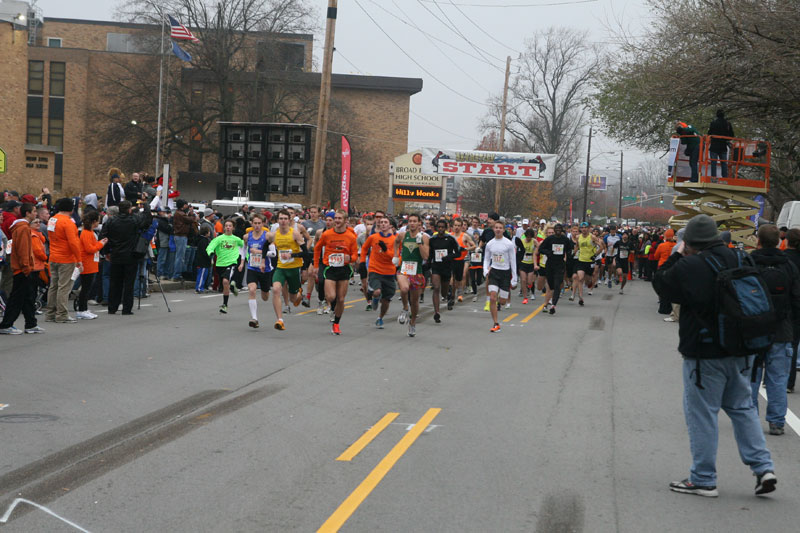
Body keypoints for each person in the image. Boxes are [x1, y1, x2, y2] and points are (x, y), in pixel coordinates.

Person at [654, 214, 777, 497]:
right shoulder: (741, 257)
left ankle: (703, 478)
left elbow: (662, 285)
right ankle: (763, 467)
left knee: (702, 414)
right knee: (743, 408)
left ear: (691, 242)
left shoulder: (690, 265)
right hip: (742, 347)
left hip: (704, 351)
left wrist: (678, 253)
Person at [748, 224, 800, 435]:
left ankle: (749, 418)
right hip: (782, 328)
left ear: (758, 240)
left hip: (753, 328)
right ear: (779, 241)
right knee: (777, 378)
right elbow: (796, 299)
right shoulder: (788, 265)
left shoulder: (749, 262)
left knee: (752, 375)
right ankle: (777, 421)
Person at [100, 200, 153, 315]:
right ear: (129, 209)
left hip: (116, 255)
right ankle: (127, 308)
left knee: (115, 282)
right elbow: (147, 221)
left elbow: (103, 236)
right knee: (129, 283)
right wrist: (147, 207)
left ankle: (112, 307)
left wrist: (106, 252)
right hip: (131, 255)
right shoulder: (134, 220)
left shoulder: (111, 221)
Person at [313, 209, 358, 335]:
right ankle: (332, 308)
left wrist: (351, 258)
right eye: (336, 218)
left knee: (341, 299)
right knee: (331, 296)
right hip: (330, 268)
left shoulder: (350, 236)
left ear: (345, 221)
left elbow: (355, 254)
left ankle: (336, 324)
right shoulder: (327, 234)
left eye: (339, 218)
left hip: (344, 269)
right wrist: (316, 265)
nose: (337, 221)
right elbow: (317, 249)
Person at [0, 203, 43, 334]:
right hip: (22, 268)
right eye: (34, 211)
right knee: (17, 298)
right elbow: (23, 250)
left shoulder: (21, 227)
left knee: (27, 297)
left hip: (23, 267)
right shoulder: (23, 228)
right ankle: (6, 324)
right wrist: (26, 267)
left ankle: (31, 323)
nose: (36, 214)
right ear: (27, 213)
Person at [45, 198, 83, 323]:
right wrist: (78, 260)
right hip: (66, 258)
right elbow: (73, 243)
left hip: (53, 256)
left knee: (53, 286)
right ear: (71, 209)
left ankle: (50, 313)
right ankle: (61, 314)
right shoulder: (68, 223)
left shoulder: (52, 219)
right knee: (64, 287)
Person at [393, 213, 430, 337]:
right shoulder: (403, 235)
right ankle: (404, 308)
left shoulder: (424, 237)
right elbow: (396, 242)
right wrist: (395, 256)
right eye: (410, 221)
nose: (412, 223)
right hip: (404, 269)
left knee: (414, 302)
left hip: (417, 271)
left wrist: (419, 243)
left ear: (420, 223)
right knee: (404, 288)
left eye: (415, 221)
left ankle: (412, 323)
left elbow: (425, 256)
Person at [359, 215, 397, 329]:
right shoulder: (373, 237)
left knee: (386, 301)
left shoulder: (395, 239)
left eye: (386, 222)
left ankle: (380, 317)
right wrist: (362, 262)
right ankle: (375, 298)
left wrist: (385, 250)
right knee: (377, 291)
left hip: (389, 271)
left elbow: (395, 256)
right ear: (379, 224)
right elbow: (364, 248)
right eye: (381, 222)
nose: (383, 224)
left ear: (390, 225)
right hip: (375, 269)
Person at [270, 209, 305, 330]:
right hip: (281, 268)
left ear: (289, 220)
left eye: (285, 219)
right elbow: (265, 245)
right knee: (275, 290)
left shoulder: (294, 233)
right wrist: (264, 260)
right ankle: (280, 320)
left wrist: (293, 255)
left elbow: (306, 253)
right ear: (277, 220)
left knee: (293, 299)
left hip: (294, 269)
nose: (283, 221)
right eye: (281, 219)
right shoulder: (275, 234)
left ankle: (299, 293)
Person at [239, 213, 274, 327]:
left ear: (263, 223)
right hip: (252, 267)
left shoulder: (268, 236)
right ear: (251, 224)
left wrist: (259, 252)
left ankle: (266, 291)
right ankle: (254, 318)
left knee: (265, 296)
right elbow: (243, 249)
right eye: (255, 223)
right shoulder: (247, 236)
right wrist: (242, 261)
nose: (257, 225)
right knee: (252, 290)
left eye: (259, 223)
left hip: (265, 269)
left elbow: (273, 253)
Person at [483, 219, 517, 332]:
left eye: (500, 228)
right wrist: (485, 270)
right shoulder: (490, 244)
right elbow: (486, 259)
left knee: (502, 301)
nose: (498, 229)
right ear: (493, 229)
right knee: (493, 297)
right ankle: (496, 323)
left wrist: (514, 278)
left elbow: (513, 261)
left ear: (503, 230)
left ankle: (499, 301)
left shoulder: (508, 244)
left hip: (505, 274)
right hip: (494, 272)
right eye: (496, 227)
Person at [205, 219, 244, 314]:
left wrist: (244, 259)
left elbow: (245, 247)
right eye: (226, 225)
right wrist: (210, 252)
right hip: (220, 264)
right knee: (225, 284)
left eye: (230, 226)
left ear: (233, 228)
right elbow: (210, 246)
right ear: (224, 227)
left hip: (231, 262)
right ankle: (225, 304)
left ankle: (231, 288)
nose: (228, 227)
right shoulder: (219, 238)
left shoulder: (236, 239)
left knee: (226, 281)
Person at [76, 211, 107, 320]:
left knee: (87, 287)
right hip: (87, 263)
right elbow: (90, 249)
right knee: (86, 288)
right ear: (94, 222)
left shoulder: (88, 232)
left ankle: (83, 308)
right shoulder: (86, 233)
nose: (98, 223)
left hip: (90, 262)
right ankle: (81, 310)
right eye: (98, 221)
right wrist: (101, 244)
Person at [537, 223, 574, 315]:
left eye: (559, 229)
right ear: (554, 230)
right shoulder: (549, 239)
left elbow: (570, 249)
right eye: (556, 228)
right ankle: (551, 299)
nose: (558, 230)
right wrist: (548, 252)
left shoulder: (565, 239)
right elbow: (541, 249)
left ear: (561, 230)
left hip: (560, 264)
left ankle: (553, 305)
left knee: (557, 285)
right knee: (551, 284)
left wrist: (568, 256)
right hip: (549, 264)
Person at [428, 218, 459, 323]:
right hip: (436, 266)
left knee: (443, 293)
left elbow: (457, 253)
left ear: (446, 228)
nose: (440, 229)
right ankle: (436, 312)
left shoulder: (450, 239)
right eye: (439, 227)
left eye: (442, 227)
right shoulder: (432, 239)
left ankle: (448, 293)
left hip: (447, 267)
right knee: (436, 287)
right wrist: (428, 264)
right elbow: (430, 254)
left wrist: (449, 256)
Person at [708, 109, 734, 178]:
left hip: (714, 146)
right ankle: (725, 177)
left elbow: (709, 134)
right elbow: (731, 136)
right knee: (724, 163)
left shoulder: (713, 123)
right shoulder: (728, 124)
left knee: (714, 163)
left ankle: (713, 177)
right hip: (723, 146)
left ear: (717, 115)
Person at [171, 199, 192, 282]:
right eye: (185, 204)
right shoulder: (181, 214)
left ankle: (177, 273)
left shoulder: (178, 213)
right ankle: (177, 274)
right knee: (180, 256)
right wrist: (191, 213)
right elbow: (191, 220)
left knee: (179, 256)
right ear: (183, 206)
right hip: (181, 236)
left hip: (179, 236)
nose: (187, 206)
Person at [517, 228, 538, 305]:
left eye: (530, 237)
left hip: (531, 263)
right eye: (527, 237)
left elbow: (539, 248)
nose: (529, 238)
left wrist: (537, 250)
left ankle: (529, 286)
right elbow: (518, 249)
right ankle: (525, 297)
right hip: (523, 262)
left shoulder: (534, 241)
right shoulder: (522, 241)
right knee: (523, 280)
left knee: (529, 281)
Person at [195, 225, 212, 294]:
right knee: (202, 275)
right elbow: (205, 252)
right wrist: (209, 258)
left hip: (200, 261)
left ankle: (200, 287)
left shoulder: (200, 240)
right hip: (203, 262)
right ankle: (199, 288)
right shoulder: (204, 241)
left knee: (201, 274)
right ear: (206, 233)